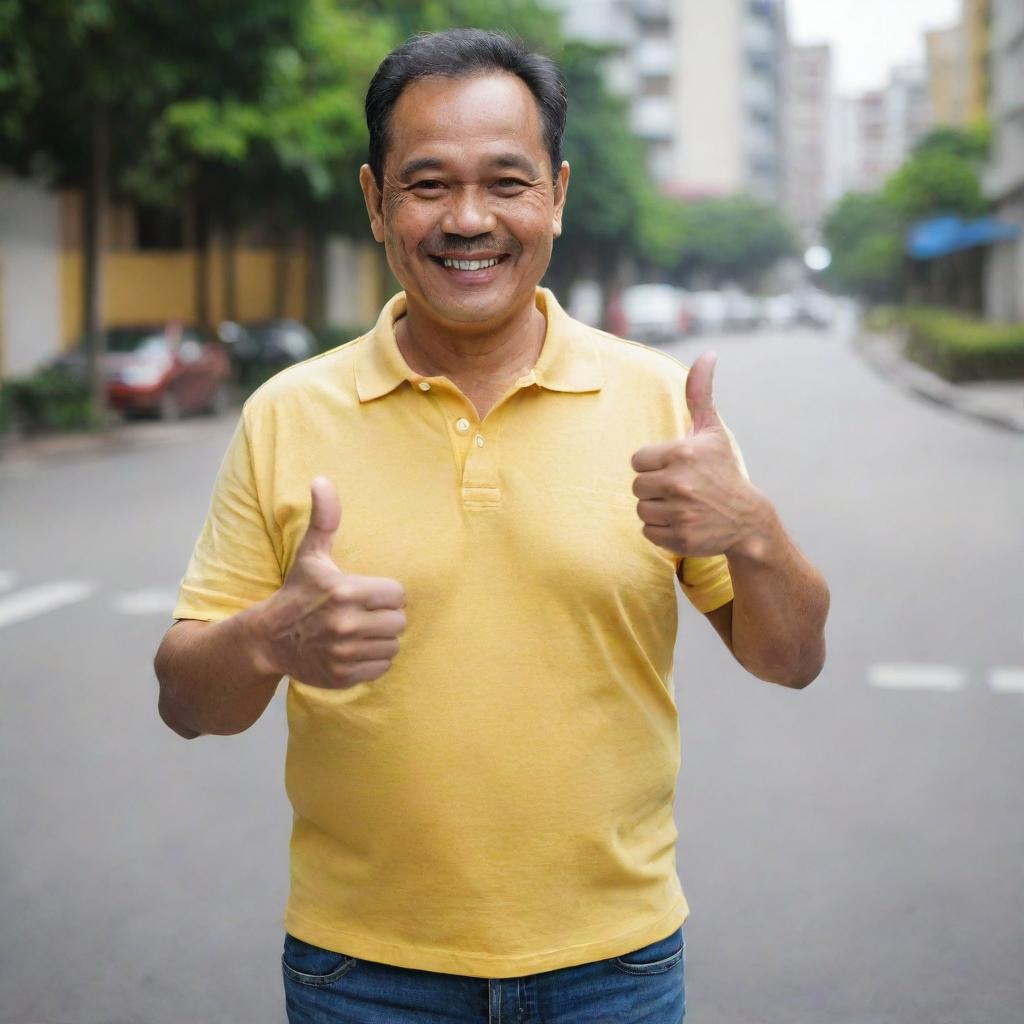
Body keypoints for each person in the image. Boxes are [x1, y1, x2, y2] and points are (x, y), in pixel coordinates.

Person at [154, 28, 830, 1024]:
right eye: (427, 183)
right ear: (374, 200)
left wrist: (754, 528)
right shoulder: (288, 414)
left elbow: (792, 658)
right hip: (363, 972)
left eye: (505, 182)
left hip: (614, 965)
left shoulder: (656, 401)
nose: (468, 219)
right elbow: (185, 702)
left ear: (555, 191)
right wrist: (271, 636)